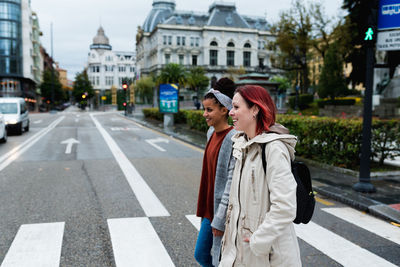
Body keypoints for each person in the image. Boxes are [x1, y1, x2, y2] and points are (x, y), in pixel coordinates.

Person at [219, 85, 301, 267]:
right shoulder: (242, 146)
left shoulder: (273, 148)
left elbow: (285, 206)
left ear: (255, 109)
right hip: (242, 253)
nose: (231, 112)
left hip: (268, 257)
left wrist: (259, 241)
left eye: (236, 107)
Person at [195, 78, 237, 267]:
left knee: (208, 256)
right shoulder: (211, 133)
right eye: (204, 109)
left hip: (220, 212)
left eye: (209, 110)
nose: (205, 114)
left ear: (224, 110)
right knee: (206, 256)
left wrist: (219, 221)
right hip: (209, 207)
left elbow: (230, 182)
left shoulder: (233, 138)